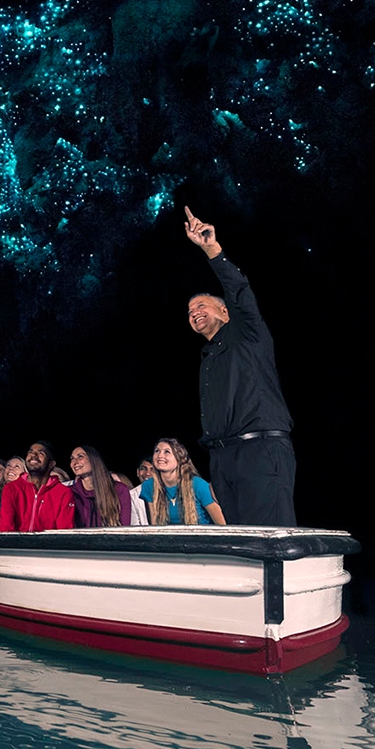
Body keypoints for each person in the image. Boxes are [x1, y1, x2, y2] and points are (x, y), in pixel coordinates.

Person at [183, 206, 297, 525]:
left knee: (269, 539)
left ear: (224, 312)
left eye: (201, 306)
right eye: (190, 312)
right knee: (240, 542)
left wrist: (211, 249)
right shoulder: (208, 359)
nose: (194, 313)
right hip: (223, 458)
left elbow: (240, 293)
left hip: (260, 450)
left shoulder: (248, 333)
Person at [141, 438, 227, 525]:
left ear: (179, 458)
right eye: (157, 451)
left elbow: (222, 526)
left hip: (201, 537)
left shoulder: (198, 484)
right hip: (169, 538)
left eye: (167, 451)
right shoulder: (148, 486)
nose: (160, 455)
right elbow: (155, 526)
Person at [0, 444, 76, 532]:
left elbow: (64, 532)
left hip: (48, 545)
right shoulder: (11, 488)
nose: (33, 455)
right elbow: (6, 529)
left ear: (51, 464)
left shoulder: (63, 492)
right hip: (17, 545)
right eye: (30, 452)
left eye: (41, 453)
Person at [68, 446, 132, 527]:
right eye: (72, 458)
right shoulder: (70, 492)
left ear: (94, 460)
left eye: (80, 456)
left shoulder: (119, 490)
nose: (74, 462)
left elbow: (124, 528)